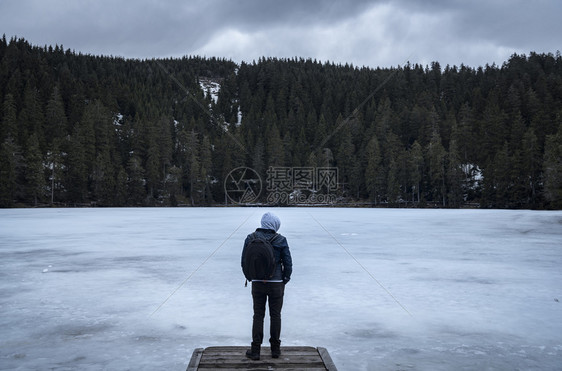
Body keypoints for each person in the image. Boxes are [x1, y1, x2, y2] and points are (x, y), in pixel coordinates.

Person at [242, 212, 292, 360]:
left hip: (257, 283)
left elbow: (244, 260)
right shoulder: (281, 239)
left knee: (258, 315)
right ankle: (275, 350)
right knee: (275, 315)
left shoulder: (250, 238)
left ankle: (255, 351)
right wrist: (285, 278)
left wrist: (250, 277)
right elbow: (288, 262)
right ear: (275, 225)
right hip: (276, 284)